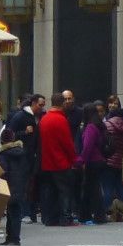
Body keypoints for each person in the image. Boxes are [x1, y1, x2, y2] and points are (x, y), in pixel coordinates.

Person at [38, 93, 77, 226]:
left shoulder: (44, 119)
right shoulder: (61, 120)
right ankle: (65, 217)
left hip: (47, 161)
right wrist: (74, 159)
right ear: (62, 103)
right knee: (64, 191)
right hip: (61, 161)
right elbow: (67, 143)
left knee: (50, 191)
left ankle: (50, 218)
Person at [6, 95, 43, 223]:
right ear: (33, 103)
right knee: (23, 184)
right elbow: (8, 134)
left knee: (30, 184)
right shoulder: (20, 116)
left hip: (31, 155)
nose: (42, 108)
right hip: (22, 156)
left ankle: (30, 212)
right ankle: (24, 212)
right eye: (40, 105)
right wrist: (24, 133)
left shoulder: (37, 117)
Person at [0, 122, 28, 246]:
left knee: (11, 212)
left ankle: (12, 238)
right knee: (15, 212)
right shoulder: (21, 153)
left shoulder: (4, 155)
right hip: (20, 185)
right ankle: (13, 237)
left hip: (9, 186)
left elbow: (2, 171)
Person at [76, 103, 108, 225]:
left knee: (93, 189)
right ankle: (85, 215)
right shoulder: (99, 126)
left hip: (92, 161)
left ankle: (97, 216)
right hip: (98, 160)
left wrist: (80, 160)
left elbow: (87, 147)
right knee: (90, 188)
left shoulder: (90, 127)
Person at [101, 107, 123, 217]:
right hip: (122, 161)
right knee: (121, 186)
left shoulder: (107, 125)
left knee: (107, 187)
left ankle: (108, 212)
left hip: (109, 160)